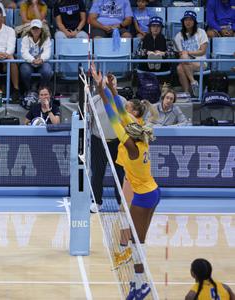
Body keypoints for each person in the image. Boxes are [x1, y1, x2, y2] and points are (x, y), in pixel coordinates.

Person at [91, 64, 159, 299]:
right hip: (152, 190)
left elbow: (113, 115)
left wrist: (103, 91)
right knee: (138, 241)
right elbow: (120, 113)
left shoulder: (130, 145)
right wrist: (108, 88)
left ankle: (140, 285)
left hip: (144, 195)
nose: (126, 117)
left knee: (137, 242)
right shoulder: (140, 132)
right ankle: (140, 281)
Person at [89, 75, 125, 213]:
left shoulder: (121, 101)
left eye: (112, 84)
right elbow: (89, 121)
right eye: (106, 84)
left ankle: (121, 202)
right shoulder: (94, 101)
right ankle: (97, 202)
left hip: (117, 143)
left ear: (116, 85)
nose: (109, 86)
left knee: (119, 174)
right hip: (98, 141)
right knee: (97, 173)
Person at [174, 10, 208, 98]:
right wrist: (185, 55)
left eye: (190, 20)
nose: (188, 22)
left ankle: (189, 88)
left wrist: (188, 52)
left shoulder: (201, 32)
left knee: (183, 60)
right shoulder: (179, 35)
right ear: (183, 22)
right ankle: (189, 89)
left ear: (194, 22)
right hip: (186, 62)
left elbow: (202, 51)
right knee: (179, 67)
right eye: (186, 20)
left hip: (200, 62)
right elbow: (179, 53)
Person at [20, 19, 52, 96]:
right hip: (29, 63)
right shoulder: (25, 38)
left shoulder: (46, 39)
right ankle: (29, 90)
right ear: (30, 29)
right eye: (33, 28)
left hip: (42, 62)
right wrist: (33, 60)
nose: (35, 30)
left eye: (37, 28)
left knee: (47, 70)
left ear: (41, 29)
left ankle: (41, 89)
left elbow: (47, 52)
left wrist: (41, 59)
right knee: (25, 70)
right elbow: (24, 53)